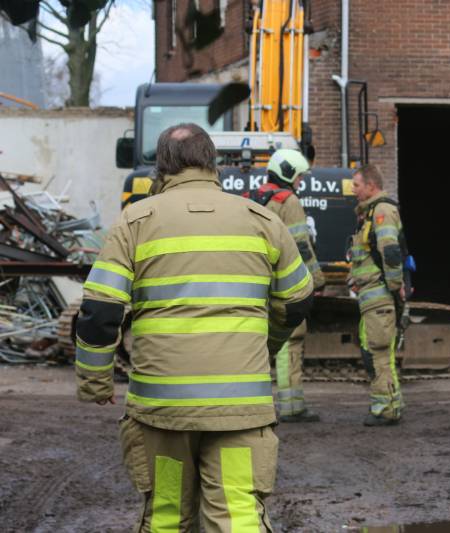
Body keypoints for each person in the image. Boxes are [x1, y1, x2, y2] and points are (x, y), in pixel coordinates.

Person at [74, 123, 313, 531]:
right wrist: (266, 347)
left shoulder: (135, 220)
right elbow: (297, 298)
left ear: (162, 166)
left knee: (167, 515)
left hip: (163, 410)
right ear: (212, 162)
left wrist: (95, 381)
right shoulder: (260, 219)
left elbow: (100, 310)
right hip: (239, 406)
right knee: (237, 518)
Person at [254, 149, 326, 423]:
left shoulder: (257, 198)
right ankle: (292, 406)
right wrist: (317, 279)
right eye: (298, 177)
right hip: (285, 284)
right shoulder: (288, 201)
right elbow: (300, 247)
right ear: (288, 173)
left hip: (261, 282)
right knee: (290, 342)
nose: (299, 183)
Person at [347, 164, 405, 427]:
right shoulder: (369, 214)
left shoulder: (381, 212)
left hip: (379, 297)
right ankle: (389, 405)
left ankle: (386, 409)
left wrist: (394, 288)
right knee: (375, 351)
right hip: (371, 297)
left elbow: (390, 252)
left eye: (357, 185)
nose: (353, 190)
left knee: (379, 353)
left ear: (371, 186)